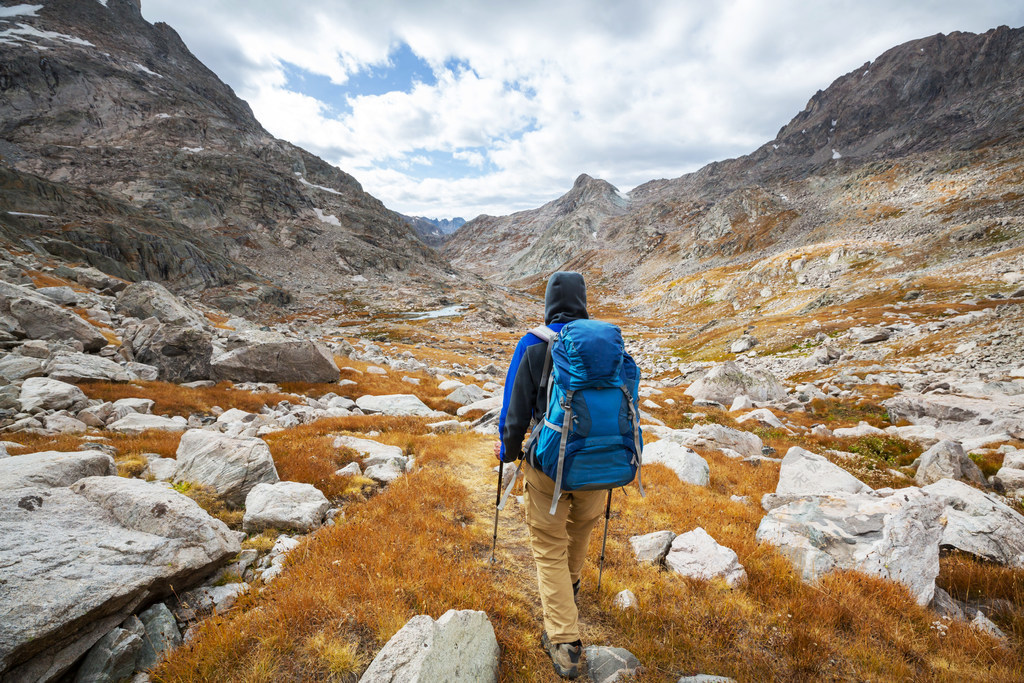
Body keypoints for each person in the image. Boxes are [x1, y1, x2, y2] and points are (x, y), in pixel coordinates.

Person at [496, 271, 606, 679]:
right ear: (582, 301)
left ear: (548, 304)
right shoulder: (604, 344)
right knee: (578, 532)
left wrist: (508, 453)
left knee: (547, 544)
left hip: (549, 468)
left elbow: (514, 412)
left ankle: (564, 641)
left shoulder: (532, 344)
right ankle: (569, 592)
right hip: (600, 465)